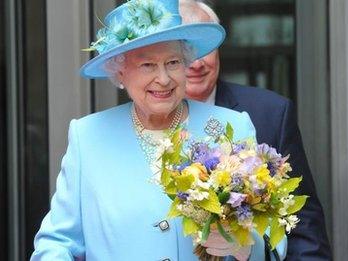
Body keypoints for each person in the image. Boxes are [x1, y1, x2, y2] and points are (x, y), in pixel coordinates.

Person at [30, 0, 286, 260]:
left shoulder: (231, 127)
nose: (163, 79)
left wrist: (246, 246)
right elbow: (58, 242)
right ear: (120, 73)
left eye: (173, 62)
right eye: (147, 65)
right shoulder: (88, 136)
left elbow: (273, 232)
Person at [179, 1, 332, 260]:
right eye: (184, 49)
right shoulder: (145, 122)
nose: (197, 63)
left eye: (207, 47)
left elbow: (302, 222)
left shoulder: (269, 112)